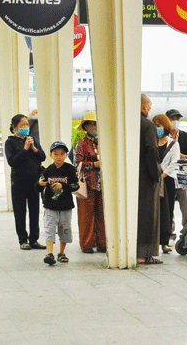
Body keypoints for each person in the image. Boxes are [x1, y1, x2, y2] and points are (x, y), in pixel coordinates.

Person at [4, 114, 47, 250]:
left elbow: (43, 156)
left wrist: (34, 148)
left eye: (27, 124)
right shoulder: (10, 142)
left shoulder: (32, 140)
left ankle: (34, 239)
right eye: (22, 125)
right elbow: (12, 162)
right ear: (14, 127)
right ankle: (23, 240)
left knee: (34, 211)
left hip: (34, 182)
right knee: (20, 212)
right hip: (19, 182)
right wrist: (25, 149)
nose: (25, 127)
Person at [36, 141, 79, 265]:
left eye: (62, 154)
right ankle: (49, 253)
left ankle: (61, 252)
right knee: (49, 229)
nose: (59, 157)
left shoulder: (70, 169)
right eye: (56, 154)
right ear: (51, 156)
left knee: (64, 229)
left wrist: (63, 186)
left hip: (65, 207)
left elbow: (75, 186)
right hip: (50, 206)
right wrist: (39, 184)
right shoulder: (48, 170)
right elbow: (37, 188)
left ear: (66, 155)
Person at [74, 111, 106, 254]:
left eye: (96, 124)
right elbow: (77, 164)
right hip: (87, 184)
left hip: (103, 184)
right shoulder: (81, 143)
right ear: (86, 127)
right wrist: (95, 165)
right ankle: (87, 244)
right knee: (86, 215)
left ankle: (102, 243)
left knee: (103, 214)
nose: (94, 127)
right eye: (91, 124)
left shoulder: (105, 143)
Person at [137, 94, 162, 264]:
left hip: (128, 176)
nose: (150, 108)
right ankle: (143, 255)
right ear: (144, 106)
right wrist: (156, 174)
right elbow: (152, 150)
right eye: (149, 105)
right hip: (145, 176)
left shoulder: (125, 123)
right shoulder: (147, 125)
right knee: (148, 214)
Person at [152, 113, 180, 254]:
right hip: (152, 180)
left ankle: (164, 242)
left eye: (159, 125)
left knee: (167, 211)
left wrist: (162, 175)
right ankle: (152, 242)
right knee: (152, 211)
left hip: (167, 181)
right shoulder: (150, 141)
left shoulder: (173, 143)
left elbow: (175, 163)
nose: (157, 128)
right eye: (155, 126)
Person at [166, 109, 187, 235]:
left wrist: (183, 156)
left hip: (183, 175)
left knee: (186, 206)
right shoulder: (162, 136)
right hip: (168, 175)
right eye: (172, 119)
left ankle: (186, 231)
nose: (175, 122)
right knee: (168, 207)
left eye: (177, 119)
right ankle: (170, 233)